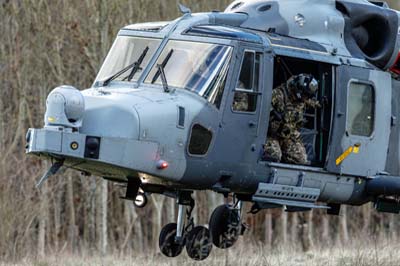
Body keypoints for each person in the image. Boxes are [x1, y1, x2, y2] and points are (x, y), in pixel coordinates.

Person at [263, 74, 320, 164]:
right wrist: (273, 113)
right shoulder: (278, 95)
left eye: (307, 96)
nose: (305, 98)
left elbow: (311, 102)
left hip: (289, 136)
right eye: (305, 95)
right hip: (272, 135)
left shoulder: (302, 98)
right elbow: (263, 104)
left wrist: (319, 104)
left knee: (301, 159)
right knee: (274, 155)